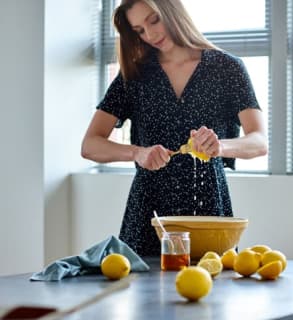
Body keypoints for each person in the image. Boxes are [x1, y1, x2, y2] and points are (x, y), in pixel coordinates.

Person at [81, 0, 268, 256]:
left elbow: (259, 142)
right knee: (144, 292)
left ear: (171, 10)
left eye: (154, 20)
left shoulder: (227, 68)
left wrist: (220, 146)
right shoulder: (134, 75)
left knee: (211, 290)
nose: (150, 34)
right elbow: (90, 144)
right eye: (139, 30)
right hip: (148, 212)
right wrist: (137, 153)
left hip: (208, 209)